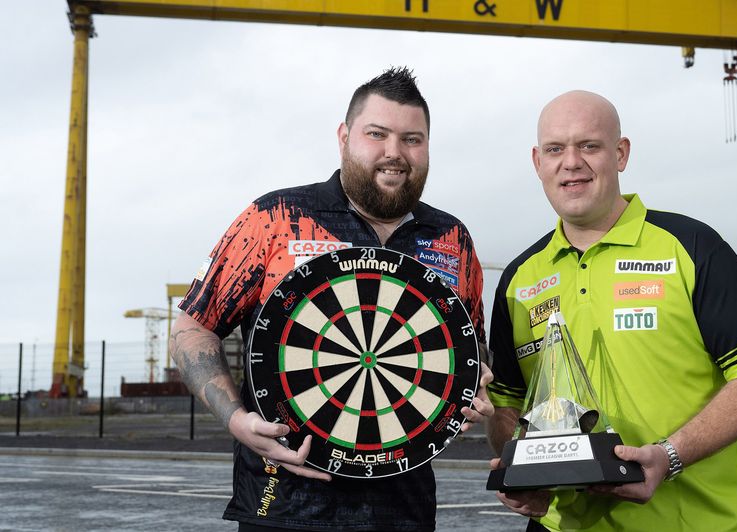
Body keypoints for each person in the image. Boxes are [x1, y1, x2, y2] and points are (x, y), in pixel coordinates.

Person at [170, 67, 494, 532]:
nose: (394, 153)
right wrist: (237, 421)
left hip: (405, 512)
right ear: (344, 136)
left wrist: (471, 389)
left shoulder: (450, 238)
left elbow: (470, 353)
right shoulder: (277, 217)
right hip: (282, 507)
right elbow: (191, 328)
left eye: (412, 139)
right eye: (376, 134)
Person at [486, 90, 737, 531]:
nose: (571, 162)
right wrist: (519, 472)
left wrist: (669, 457)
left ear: (621, 153)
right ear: (538, 161)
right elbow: (507, 408)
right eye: (555, 149)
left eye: (589, 145)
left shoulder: (690, 247)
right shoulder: (519, 279)